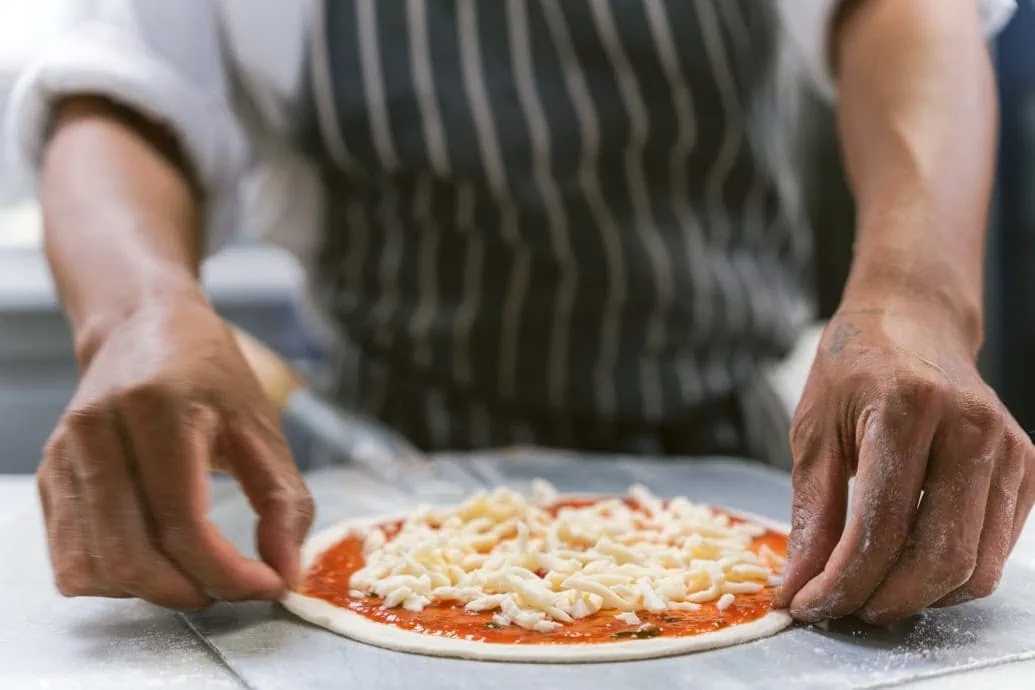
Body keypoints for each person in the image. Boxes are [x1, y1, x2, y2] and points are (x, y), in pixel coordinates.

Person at [7, 0, 1032, 625]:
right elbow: (115, 90)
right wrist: (139, 311)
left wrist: (917, 297)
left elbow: (904, 10)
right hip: (385, 496)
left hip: (746, 488)